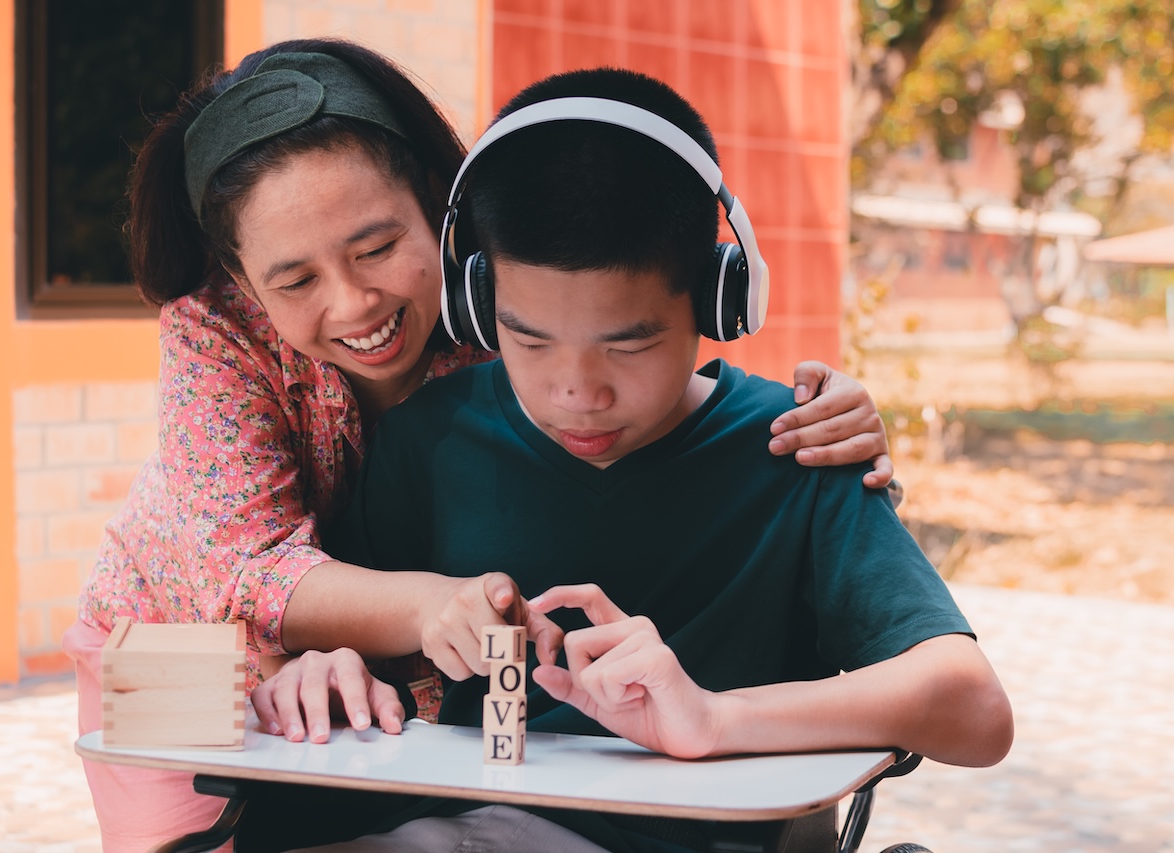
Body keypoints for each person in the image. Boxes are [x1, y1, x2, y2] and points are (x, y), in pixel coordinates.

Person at [64, 39, 897, 851]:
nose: (354, 303)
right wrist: (430, 607)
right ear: (244, 282)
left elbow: (633, 341)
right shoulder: (214, 332)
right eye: (296, 281)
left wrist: (811, 422)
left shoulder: (507, 316)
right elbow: (246, 571)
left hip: (395, 656)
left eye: (379, 247)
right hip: (187, 652)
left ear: (437, 203)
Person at [253, 67, 1013, 852]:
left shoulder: (798, 448)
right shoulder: (431, 442)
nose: (577, 391)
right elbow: (342, 655)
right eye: (529, 339)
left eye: (631, 342)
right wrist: (315, 671)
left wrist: (716, 720)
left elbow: (974, 710)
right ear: (477, 304)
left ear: (720, 301)